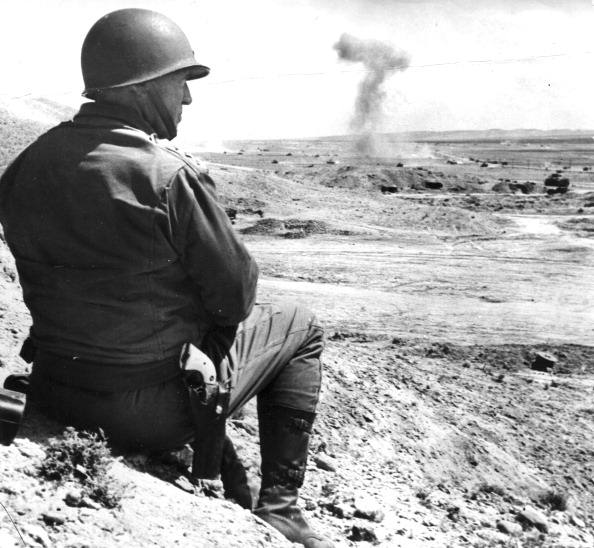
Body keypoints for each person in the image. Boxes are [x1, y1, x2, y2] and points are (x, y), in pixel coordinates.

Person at [0, 8, 333, 548]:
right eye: (181, 82)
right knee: (301, 324)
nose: (188, 98)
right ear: (143, 85)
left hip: (57, 393)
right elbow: (236, 297)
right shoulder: (168, 174)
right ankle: (282, 508)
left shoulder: (24, 165)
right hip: (149, 413)